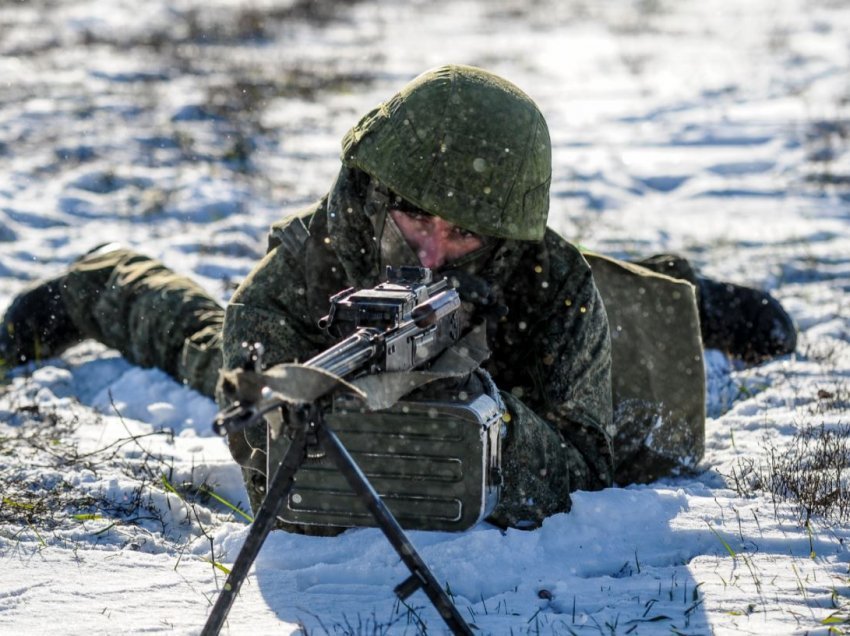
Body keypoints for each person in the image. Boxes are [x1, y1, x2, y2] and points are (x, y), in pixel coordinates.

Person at [0, 65, 796, 530]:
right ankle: (98, 282)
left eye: (465, 235)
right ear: (379, 193)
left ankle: (673, 282)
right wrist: (307, 405)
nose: (431, 251)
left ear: (503, 238)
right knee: (209, 350)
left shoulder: (552, 284)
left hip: (528, 365)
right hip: (329, 357)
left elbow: (586, 463)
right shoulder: (322, 251)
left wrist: (487, 420)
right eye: (416, 215)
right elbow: (244, 408)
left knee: (645, 368)